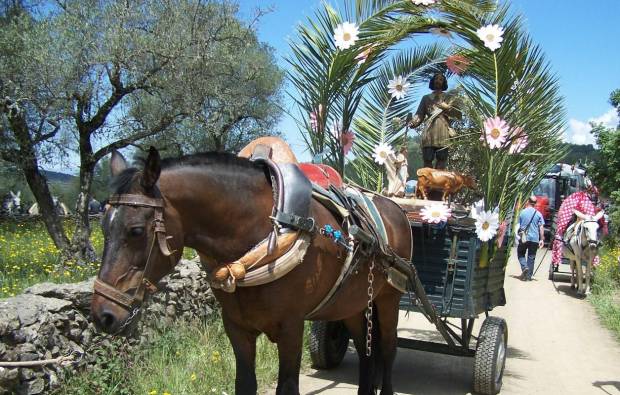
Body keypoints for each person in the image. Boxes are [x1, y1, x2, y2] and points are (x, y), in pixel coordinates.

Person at [408, 72, 462, 169]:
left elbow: (458, 114)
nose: (438, 81)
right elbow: (420, 114)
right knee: (427, 159)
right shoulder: (426, 98)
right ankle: (427, 183)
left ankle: (438, 183)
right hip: (429, 133)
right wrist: (413, 122)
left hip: (443, 132)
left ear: (444, 82)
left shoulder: (449, 97)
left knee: (442, 159)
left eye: (441, 79)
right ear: (433, 81)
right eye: (436, 79)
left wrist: (447, 108)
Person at [551, 179, 606, 271]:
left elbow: (597, 210)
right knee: (561, 229)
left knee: (596, 230)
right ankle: (560, 246)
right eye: (589, 188)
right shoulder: (576, 197)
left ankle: (594, 256)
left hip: (590, 219)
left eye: (591, 189)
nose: (591, 190)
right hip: (578, 216)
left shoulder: (595, 197)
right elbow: (568, 210)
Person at [517, 195, 545, 281]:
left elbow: (519, 225)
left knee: (520, 253)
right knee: (531, 257)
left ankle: (524, 267)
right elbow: (541, 227)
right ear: (535, 203)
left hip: (524, 238)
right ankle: (528, 277)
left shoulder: (522, 212)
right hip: (535, 239)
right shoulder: (539, 214)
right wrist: (542, 239)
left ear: (528, 202)